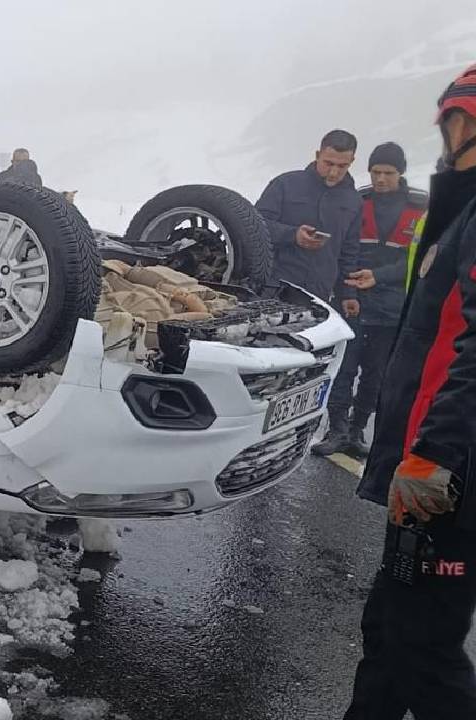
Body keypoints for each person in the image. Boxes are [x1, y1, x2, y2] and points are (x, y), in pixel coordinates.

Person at [343, 65, 476, 719]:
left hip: (445, 476)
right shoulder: (460, 208)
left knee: (425, 650)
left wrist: (435, 454)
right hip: (431, 467)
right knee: (390, 633)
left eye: (451, 121)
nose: (445, 136)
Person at [313, 142, 428, 457]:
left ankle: (357, 430)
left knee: (376, 374)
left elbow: (421, 259)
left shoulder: (421, 207)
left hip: (393, 307)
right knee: (344, 368)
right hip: (352, 300)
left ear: (400, 172)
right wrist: (348, 289)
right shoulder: (355, 201)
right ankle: (336, 430)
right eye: (375, 172)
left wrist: (382, 275)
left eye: (387, 173)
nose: (380, 179)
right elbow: (340, 248)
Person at [255, 130, 363, 311]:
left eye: (342, 166)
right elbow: (255, 226)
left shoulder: (353, 200)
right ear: (317, 155)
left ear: (352, 162)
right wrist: (293, 235)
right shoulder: (285, 184)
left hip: (318, 295)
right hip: (274, 288)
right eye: (328, 163)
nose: (334, 172)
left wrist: (348, 295)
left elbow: (348, 251)